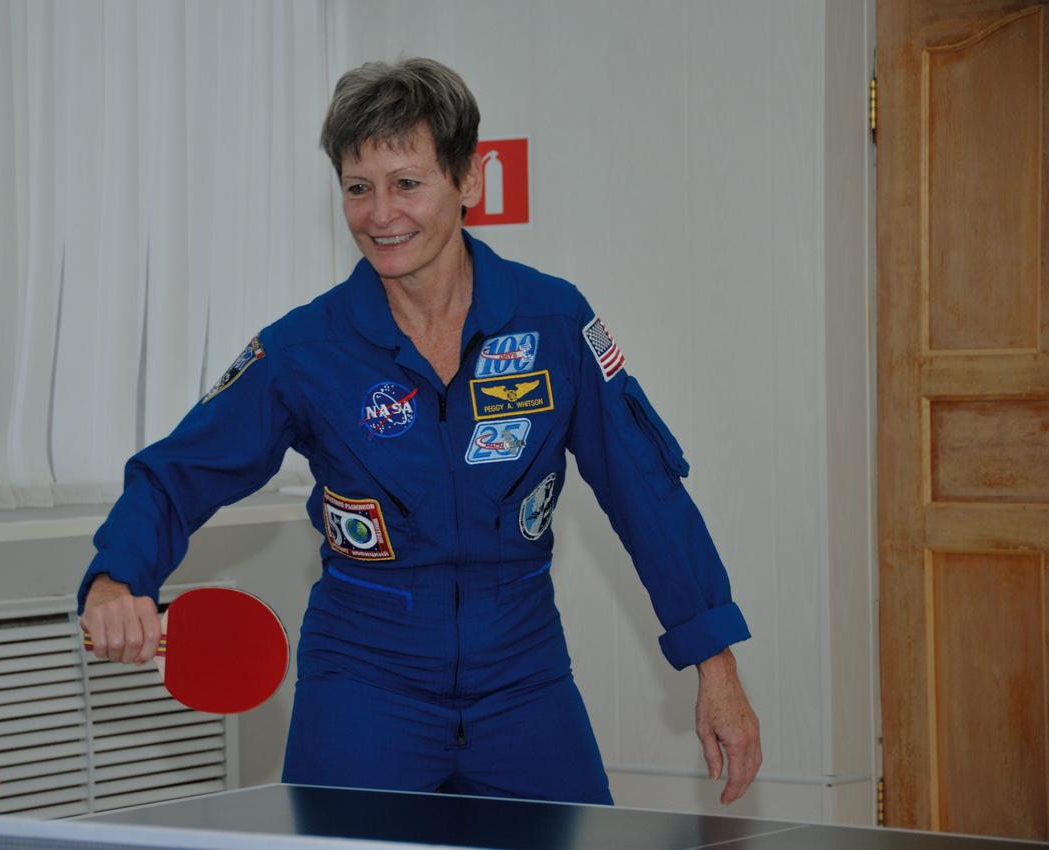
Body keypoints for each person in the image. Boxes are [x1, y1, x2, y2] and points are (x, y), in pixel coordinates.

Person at [78, 57, 761, 806]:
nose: (380, 214)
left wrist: (715, 666)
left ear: (468, 181)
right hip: (363, 688)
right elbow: (177, 474)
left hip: (524, 686)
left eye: (407, 183)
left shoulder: (555, 321)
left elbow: (646, 493)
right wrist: (117, 580)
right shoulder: (305, 350)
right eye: (357, 188)